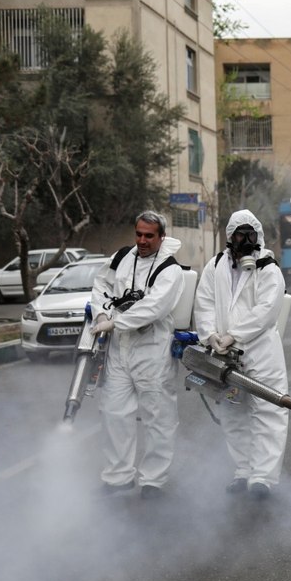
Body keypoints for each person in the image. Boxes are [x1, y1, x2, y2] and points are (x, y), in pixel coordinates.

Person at [89, 210, 185, 499]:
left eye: (149, 236)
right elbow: (101, 285)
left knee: (158, 417)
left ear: (161, 237)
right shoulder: (121, 257)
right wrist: (101, 313)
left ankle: (153, 481)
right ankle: (118, 476)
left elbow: (154, 307)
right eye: (139, 234)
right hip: (120, 348)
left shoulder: (169, 269)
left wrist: (115, 322)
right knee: (114, 413)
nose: (142, 240)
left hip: (152, 350)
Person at [194, 210, 289, 500]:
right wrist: (210, 335)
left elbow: (266, 310)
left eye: (251, 235)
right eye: (240, 235)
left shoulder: (268, 268)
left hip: (261, 352)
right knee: (233, 411)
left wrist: (234, 335)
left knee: (267, 411)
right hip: (224, 352)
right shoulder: (216, 265)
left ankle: (263, 477)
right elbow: (204, 302)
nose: (246, 240)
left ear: (258, 237)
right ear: (230, 237)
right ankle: (243, 471)